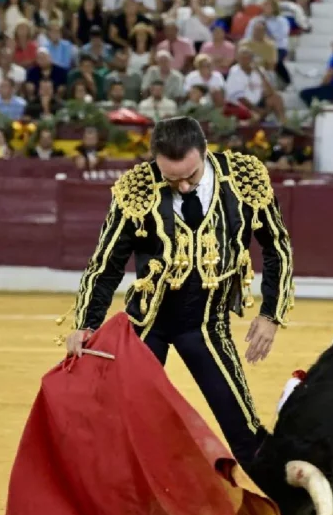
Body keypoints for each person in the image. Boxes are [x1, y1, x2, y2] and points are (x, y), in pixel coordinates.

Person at [62, 116, 294, 467]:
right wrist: (86, 323)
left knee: (244, 431)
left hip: (206, 324)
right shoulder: (138, 189)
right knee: (118, 427)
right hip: (147, 324)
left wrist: (270, 313)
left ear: (205, 153)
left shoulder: (243, 178)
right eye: (172, 179)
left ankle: (283, 511)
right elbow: (106, 263)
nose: (183, 186)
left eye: (191, 175)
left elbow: (277, 246)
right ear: (155, 160)